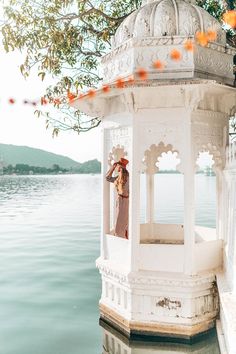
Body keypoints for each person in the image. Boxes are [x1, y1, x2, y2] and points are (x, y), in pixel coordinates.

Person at [106, 158, 129, 239]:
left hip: (126, 201)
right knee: (118, 221)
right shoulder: (118, 178)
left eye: (118, 165)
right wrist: (112, 167)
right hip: (120, 201)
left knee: (123, 221)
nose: (117, 167)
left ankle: (123, 238)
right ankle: (120, 237)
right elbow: (107, 177)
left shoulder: (128, 177)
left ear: (121, 166)